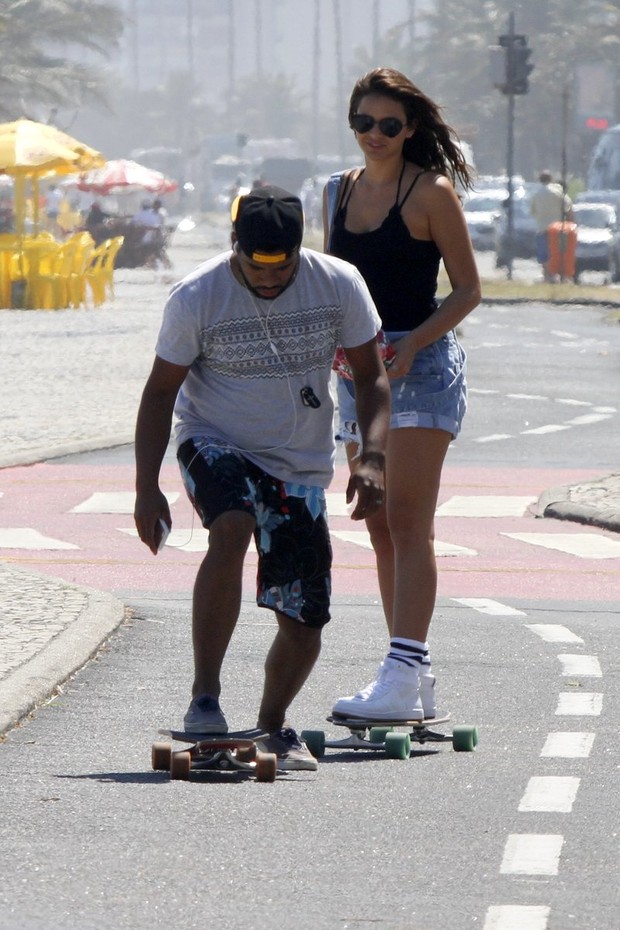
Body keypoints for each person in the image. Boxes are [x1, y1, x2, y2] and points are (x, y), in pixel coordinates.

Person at [134, 185, 391, 770]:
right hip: (212, 437)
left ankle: (272, 726)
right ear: (236, 248)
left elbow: (371, 378)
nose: (270, 282)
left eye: (283, 269)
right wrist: (146, 488)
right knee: (232, 524)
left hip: (297, 462)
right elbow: (159, 394)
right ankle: (205, 696)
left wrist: (372, 455)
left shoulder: (339, 283)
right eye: (256, 269)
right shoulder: (197, 296)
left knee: (304, 614)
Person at [324, 67, 480, 723]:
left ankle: (403, 669)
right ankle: (409, 675)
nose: (375, 135)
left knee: (411, 523)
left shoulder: (431, 192)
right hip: (357, 373)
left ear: (410, 128)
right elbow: (332, 283)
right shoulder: (336, 190)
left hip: (420, 369)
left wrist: (413, 343)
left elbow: (468, 291)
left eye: (389, 124)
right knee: (380, 524)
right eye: (364, 123)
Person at [530, 170, 574, 282]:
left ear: (540, 180)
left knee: (544, 255)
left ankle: (547, 277)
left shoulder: (536, 194)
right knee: (558, 252)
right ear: (551, 179)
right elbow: (568, 206)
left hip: (542, 227)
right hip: (557, 228)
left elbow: (533, 211)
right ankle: (560, 277)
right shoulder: (558, 191)